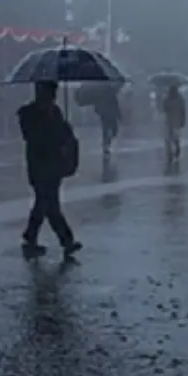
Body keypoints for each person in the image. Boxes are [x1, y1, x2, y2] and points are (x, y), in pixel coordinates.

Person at [18, 81, 82, 259]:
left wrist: (66, 132)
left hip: (55, 166)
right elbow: (33, 137)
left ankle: (30, 237)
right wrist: (52, 134)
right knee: (50, 204)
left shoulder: (56, 112)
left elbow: (64, 135)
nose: (52, 98)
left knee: (43, 204)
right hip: (39, 166)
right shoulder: (29, 114)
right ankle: (66, 241)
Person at [94, 85, 121, 155]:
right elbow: (116, 106)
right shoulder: (109, 95)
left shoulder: (109, 96)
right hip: (107, 115)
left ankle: (106, 143)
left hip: (108, 115)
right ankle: (106, 144)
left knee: (110, 130)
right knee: (108, 130)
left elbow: (116, 106)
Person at [161, 85, 186, 160]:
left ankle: (170, 153)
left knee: (169, 138)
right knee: (175, 137)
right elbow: (183, 111)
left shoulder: (167, 98)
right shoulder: (180, 98)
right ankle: (175, 150)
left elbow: (164, 108)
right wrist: (183, 121)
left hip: (169, 120)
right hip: (176, 120)